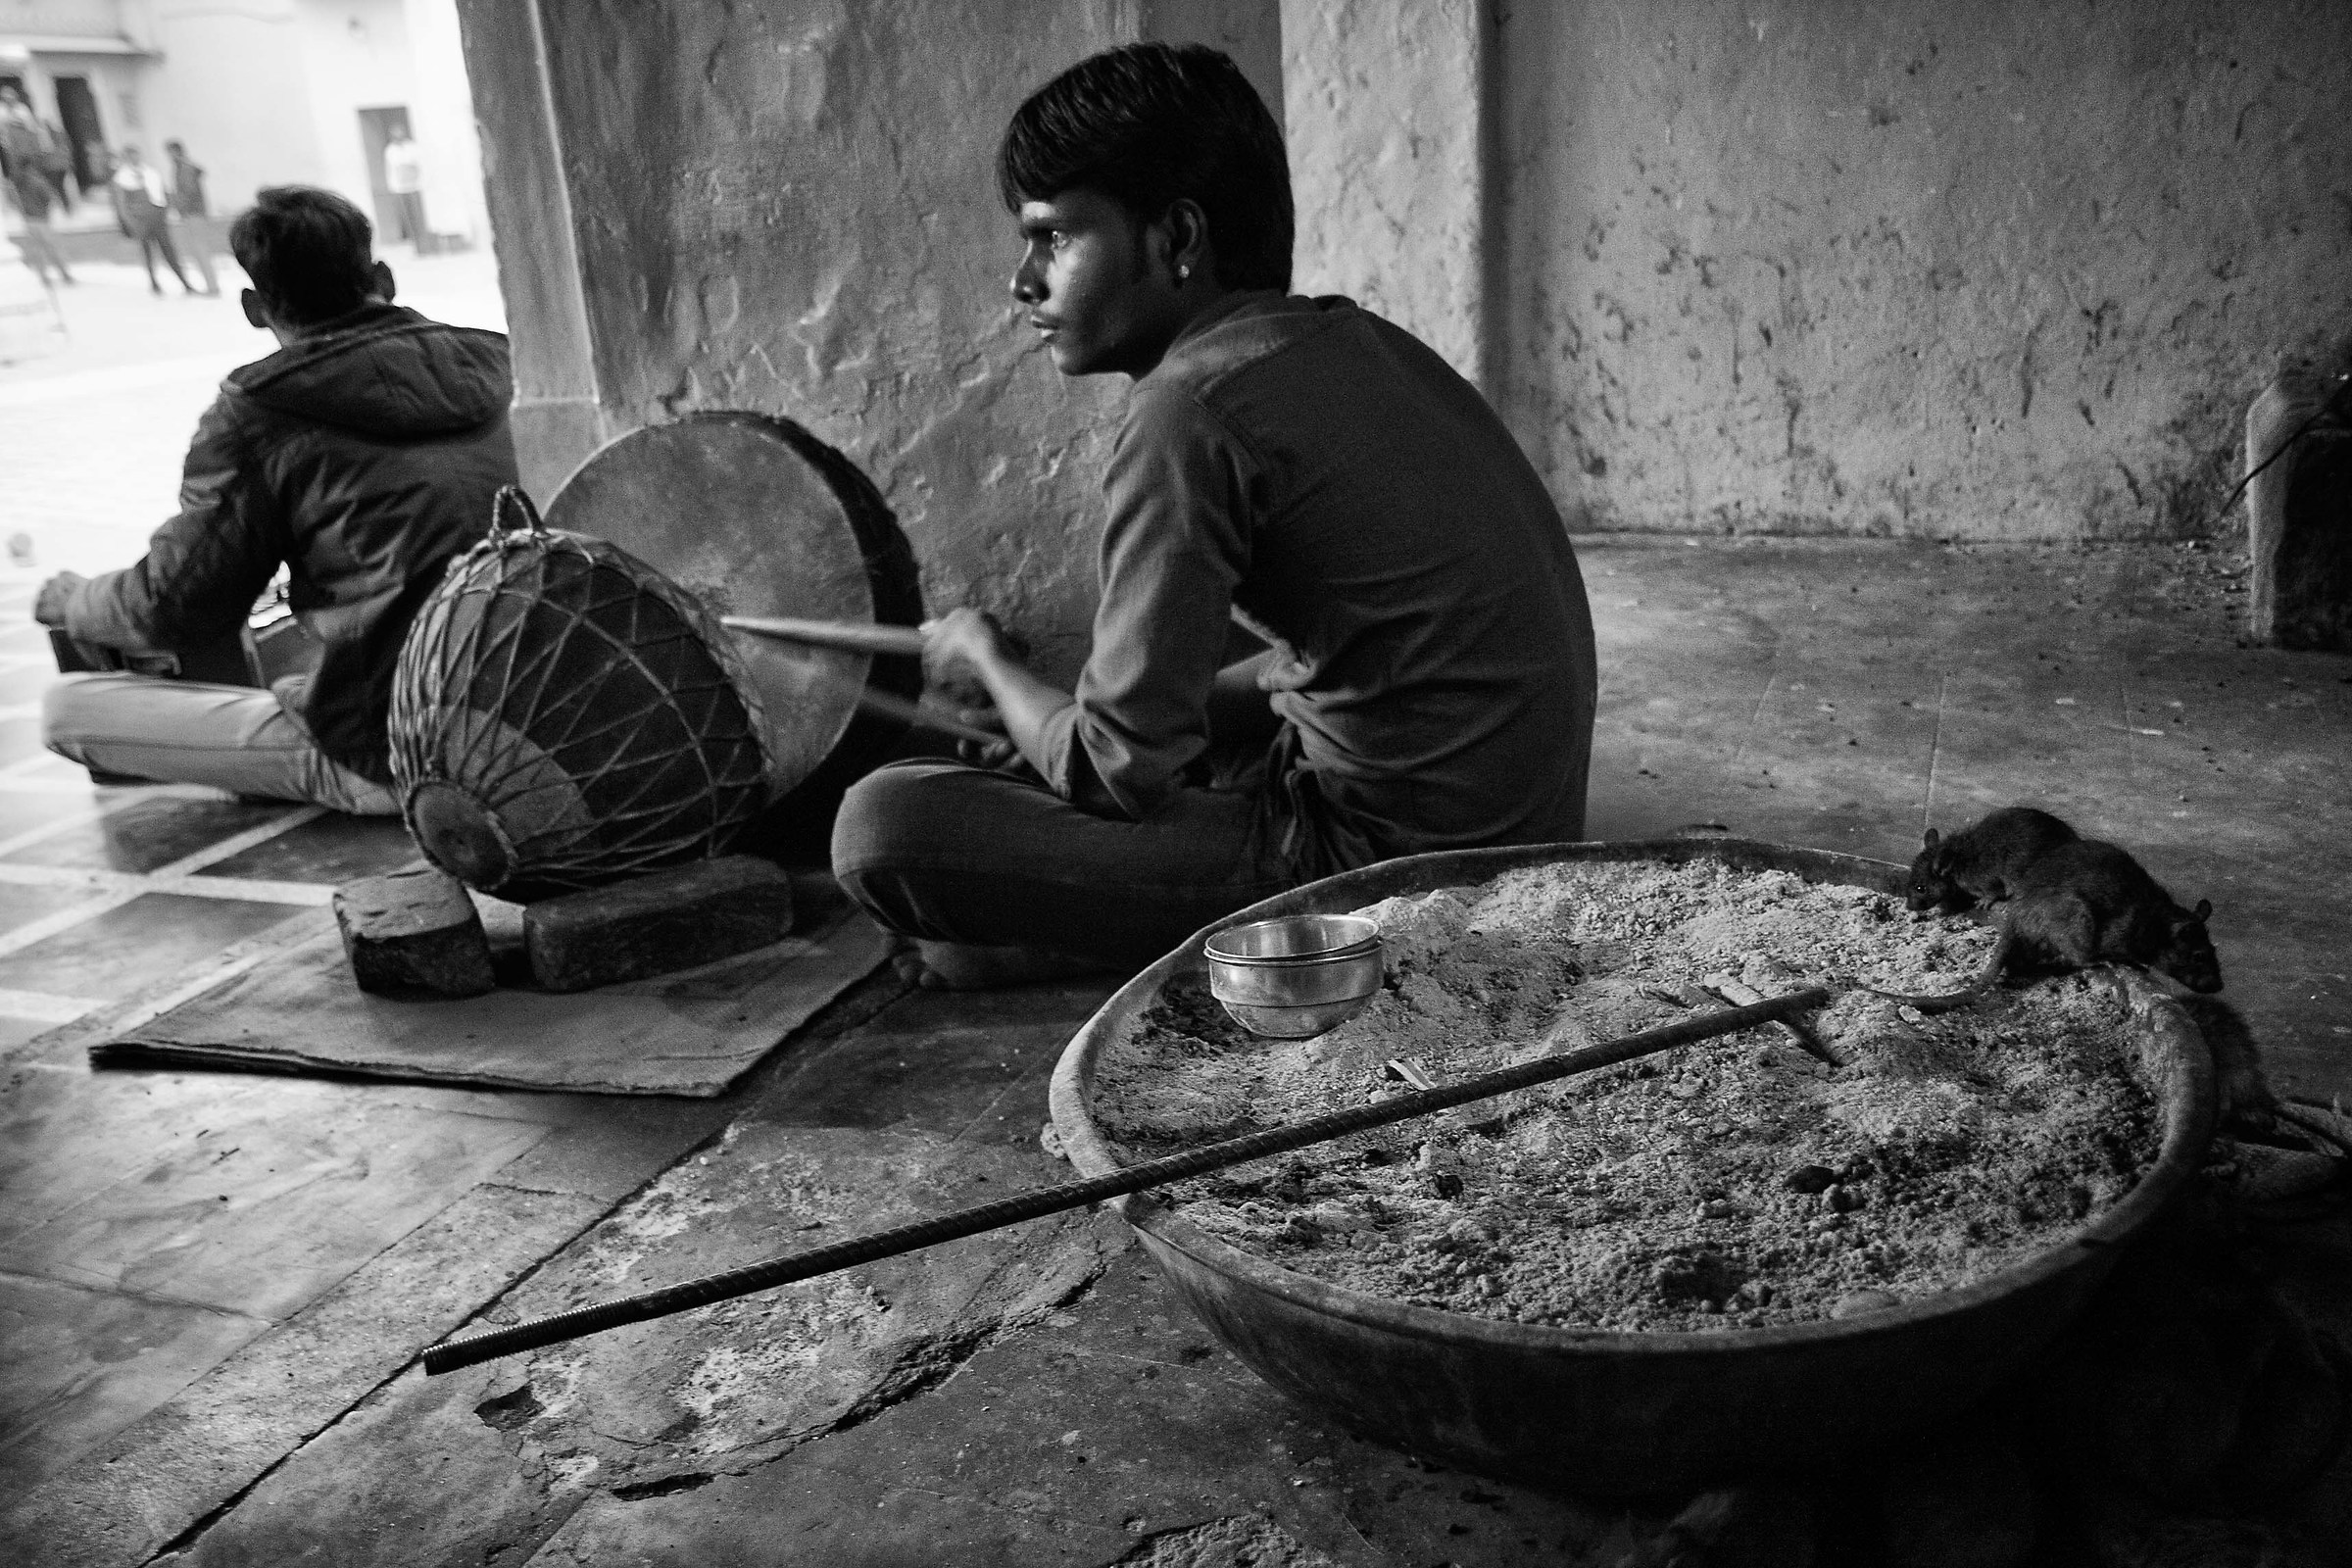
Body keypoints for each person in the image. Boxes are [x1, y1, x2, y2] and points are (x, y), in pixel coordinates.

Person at [830, 43, 1596, 989]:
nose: (1023, 283)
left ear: (1177, 238)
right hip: (1525, 829)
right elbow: (1343, 659)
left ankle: (1121, 948)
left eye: (1057, 239)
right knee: (1120, 732)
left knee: (883, 826)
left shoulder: (1185, 411)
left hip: (1405, 876)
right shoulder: (1347, 338)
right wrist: (1072, 724)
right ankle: (1106, 926)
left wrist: (989, 661)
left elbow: (1120, 769)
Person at [35, 185, 517, 813]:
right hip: (550, 712)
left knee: (67, 710)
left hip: (413, 757)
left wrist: (77, 602)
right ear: (384, 278)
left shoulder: (257, 417)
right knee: (300, 651)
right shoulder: (496, 364)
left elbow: (177, 607)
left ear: (254, 307)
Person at [1, 93, 73, 287]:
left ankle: (46, 276)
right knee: (49, 246)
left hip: (30, 217)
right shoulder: (33, 180)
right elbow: (48, 196)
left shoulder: (20, 181)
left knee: (39, 248)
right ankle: (63, 274)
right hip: (39, 217)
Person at [111, 143, 198, 296]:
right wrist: (130, 223)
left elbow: (162, 193)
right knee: (147, 253)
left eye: (135, 154)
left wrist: (166, 209)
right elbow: (121, 205)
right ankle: (153, 281)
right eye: (130, 155)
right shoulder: (121, 178)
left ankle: (184, 282)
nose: (134, 158)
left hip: (157, 217)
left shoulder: (150, 172)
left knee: (169, 251)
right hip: (140, 220)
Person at [164, 137, 220, 295]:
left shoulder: (185, 168)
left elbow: (189, 192)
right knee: (199, 249)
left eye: (170, 152)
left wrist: (175, 201)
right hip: (192, 212)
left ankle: (212, 286)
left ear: (176, 151)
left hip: (193, 213)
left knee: (200, 249)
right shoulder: (182, 167)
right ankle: (211, 285)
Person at [382, 128, 426, 251]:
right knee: (408, 217)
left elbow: (417, 164)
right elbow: (391, 169)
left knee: (418, 216)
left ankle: (423, 244)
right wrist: (393, 186)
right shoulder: (390, 150)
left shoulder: (411, 147)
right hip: (401, 188)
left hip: (414, 186)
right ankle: (415, 245)